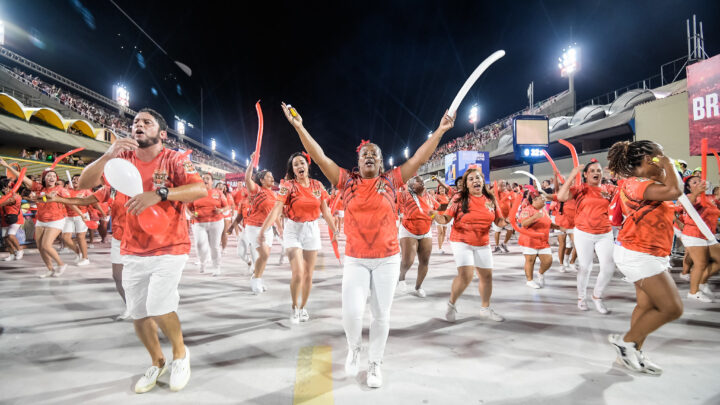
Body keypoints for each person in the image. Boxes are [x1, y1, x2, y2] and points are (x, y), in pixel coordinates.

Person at [282, 101, 454, 388]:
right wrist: (299, 126)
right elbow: (319, 155)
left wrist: (440, 130)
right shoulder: (345, 181)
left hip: (387, 259)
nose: (369, 157)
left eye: (374, 154)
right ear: (358, 162)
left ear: (381, 161)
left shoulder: (393, 180)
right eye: (364, 155)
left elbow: (421, 158)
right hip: (356, 259)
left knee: (381, 314)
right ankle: (354, 348)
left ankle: (375, 363)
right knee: (351, 312)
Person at [78, 108, 205, 393]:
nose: (138, 125)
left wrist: (160, 194)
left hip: (171, 245)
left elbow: (199, 190)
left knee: (159, 305)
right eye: (135, 122)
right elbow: (84, 183)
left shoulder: (174, 159)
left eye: (147, 122)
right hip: (133, 248)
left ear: (162, 133)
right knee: (137, 312)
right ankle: (157, 361)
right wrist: (108, 153)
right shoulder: (121, 159)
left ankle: (180, 355)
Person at [606, 140, 683, 374]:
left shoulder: (644, 182)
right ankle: (626, 342)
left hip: (650, 251)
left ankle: (632, 352)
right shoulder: (636, 183)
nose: (663, 161)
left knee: (646, 305)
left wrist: (663, 168)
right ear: (649, 160)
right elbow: (674, 190)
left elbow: (669, 188)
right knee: (672, 308)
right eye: (659, 157)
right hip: (638, 252)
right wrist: (669, 164)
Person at [257, 152, 337, 323]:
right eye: (295, 165)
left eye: (302, 163)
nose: (299, 166)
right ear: (292, 170)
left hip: (312, 229)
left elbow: (326, 211)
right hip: (293, 230)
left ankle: (303, 307)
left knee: (308, 274)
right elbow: (277, 209)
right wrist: (263, 229)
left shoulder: (318, 186)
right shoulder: (288, 186)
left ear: (307, 165)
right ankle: (294, 306)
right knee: (298, 273)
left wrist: (335, 230)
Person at [47, 184, 130, 319]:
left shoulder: (142, 184)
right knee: (118, 276)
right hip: (119, 238)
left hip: (142, 239)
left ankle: (151, 309)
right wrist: (58, 198)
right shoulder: (110, 189)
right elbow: (84, 201)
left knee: (143, 277)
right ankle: (130, 307)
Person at [434, 168, 506, 322]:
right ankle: (451, 304)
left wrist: (507, 222)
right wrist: (435, 216)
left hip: (482, 241)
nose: (476, 181)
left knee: (486, 276)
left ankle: (485, 309)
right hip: (461, 240)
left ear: (483, 181)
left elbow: (498, 220)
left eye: (478, 178)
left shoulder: (490, 198)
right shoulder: (459, 197)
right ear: (466, 184)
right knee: (466, 275)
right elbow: (446, 218)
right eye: (471, 179)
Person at [557, 158, 616, 314]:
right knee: (585, 267)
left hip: (605, 233)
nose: (596, 173)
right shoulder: (580, 189)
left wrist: (618, 175)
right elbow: (561, 197)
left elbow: (626, 197)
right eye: (592, 171)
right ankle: (581, 298)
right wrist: (572, 175)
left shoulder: (609, 189)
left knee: (609, 267)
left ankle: (597, 296)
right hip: (583, 233)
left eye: (599, 170)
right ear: (585, 174)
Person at [2, 159, 69, 277]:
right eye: (49, 176)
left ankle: (61, 264)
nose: (52, 178)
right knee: (40, 247)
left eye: (54, 176)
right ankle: (50, 269)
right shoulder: (38, 188)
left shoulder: (61, 190)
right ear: (44, 178)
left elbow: (70, 201)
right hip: (41, 220)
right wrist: (7, 165)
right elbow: (21, 177)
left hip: (56, 220)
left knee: (46, 245)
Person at [397, 175, 439, 297]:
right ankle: (401, 277)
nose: (421, 182)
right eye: (417, 182)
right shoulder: (405, 194)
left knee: (425, 261)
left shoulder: (429, 197)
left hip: (425, 230)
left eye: (421, 181)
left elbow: (438, 208)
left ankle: (418, 287)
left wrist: (432, 216)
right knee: (408, 261)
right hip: (408, 229)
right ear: (410, 186)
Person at [680, 176, 719, 302]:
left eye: (699, 180)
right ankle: (693, 292)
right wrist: (696, 192)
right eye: (694, 182)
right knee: (700, 263)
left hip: (708, 235)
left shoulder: (708, 198)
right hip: (694, 234)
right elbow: (687, 207)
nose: (698, 183)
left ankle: (701, 282)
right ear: (688, 187)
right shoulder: (688, 197)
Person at [243, 153, 277, 294]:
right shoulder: (257, 190)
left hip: (268, 229)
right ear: (262, 180)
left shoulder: (274, 194)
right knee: (263, 255)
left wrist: (278, 228)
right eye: (268, 176)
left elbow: (275, 214)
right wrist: (252, 161)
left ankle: (257, 277)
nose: (272, 178)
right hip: (254, 228)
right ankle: (256, 279)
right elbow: (247, 178)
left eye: (271, 176)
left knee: (264, 257)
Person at [187, 173, 229, 276]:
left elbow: (227, 206)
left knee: (214, 246)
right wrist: (190, 214)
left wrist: (221, 210)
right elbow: (187, 207)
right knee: (200, 244)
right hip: (199, 223)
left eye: (207, 178)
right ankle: (202, 262)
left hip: (216, 222)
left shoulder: (218, 192)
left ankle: (216, 267)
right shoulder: (195, 193)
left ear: (212, 181)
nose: (205, 180)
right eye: (203, 178)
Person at [518, 189, 553, 289]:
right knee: (530, 261)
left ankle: (540, 273)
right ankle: (530, 280)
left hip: (543, 241)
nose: (544, 200)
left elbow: (548, 223)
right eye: (541, 199)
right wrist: (534, 217)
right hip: (529, 240)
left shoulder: (544, 210)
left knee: (548, 261)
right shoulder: (527, 209)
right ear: (534, 200)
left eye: (544, 198)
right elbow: (523, 224)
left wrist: (559, 227)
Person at [61, 175, 92, 266]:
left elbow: (93, 201)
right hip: (68, 216)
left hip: (82, 216)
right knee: (65, 237)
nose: (75, 180)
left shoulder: (86, 190)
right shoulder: (66, 191)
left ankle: (85, 258)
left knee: (80, 237)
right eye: (74, 179)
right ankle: (79, 253)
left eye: (78, 179)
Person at [0, 178, 25, 261]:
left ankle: (20, 250)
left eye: (6, 187)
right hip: (5, 219)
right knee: (5, 238)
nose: (4, 190)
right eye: (3, 188)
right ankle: (11, 254)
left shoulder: (15, 196)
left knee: (11, 235)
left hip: (16, 219)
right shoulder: (3, 197)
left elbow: (6, 202)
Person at [432, 176, 455, 254]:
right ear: (438, 190)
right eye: (440, 188)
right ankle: (439, 248)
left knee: (444, 232)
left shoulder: (448, 197)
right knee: (440, 232)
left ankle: (441, 247)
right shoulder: (436, 196)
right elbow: (433, 206)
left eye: (443, 188)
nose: (442, 190)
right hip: (438, 217)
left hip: (446, 217)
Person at [493, 180, 514, 253]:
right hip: (499, 216)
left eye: (504, 184)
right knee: (497, 231)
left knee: (510, 230)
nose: (503, 186)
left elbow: (512, 204)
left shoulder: (508, 193)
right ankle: (496, 246)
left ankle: (504, 244)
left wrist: (512, 214)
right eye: (501, 185)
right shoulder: (496, 193)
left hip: (508, 216)